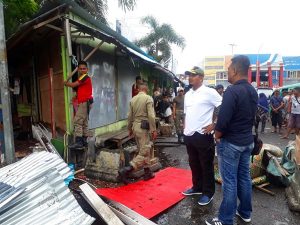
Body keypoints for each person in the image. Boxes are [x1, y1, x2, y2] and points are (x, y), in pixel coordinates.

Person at [206, 55, 258, 225]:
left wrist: (217, 135)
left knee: (229, 181)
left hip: (231, 144)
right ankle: (245, 212)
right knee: (244, 177)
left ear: (235, 70)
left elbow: (223, 120)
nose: (227, 72)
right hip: (247, 142)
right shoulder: (252, 91)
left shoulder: (232, 91)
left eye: (228, 69)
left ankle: (225, 219)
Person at [182, 66, 222, 206]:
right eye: (189, 75)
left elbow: (223, 106)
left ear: (201, 77)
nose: (190, 78)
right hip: (189, 134)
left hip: (203, 134)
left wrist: (214, 124)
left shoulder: (209, 92)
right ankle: (197, 187)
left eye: (193, 75)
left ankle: (208, 193)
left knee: (206, 165)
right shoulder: (187, 94)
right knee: (194, 163)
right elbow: (186, 113)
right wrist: (184, 127)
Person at [118, 82, 157, 183]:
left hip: (135, 126)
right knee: (145, 150)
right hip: (144, 127)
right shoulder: (148, 98)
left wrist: (129, 129)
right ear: (146, 89)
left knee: (143, 149)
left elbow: (129, 116)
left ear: (138, 90)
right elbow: (151, 116)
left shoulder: (133, 99)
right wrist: (154, 129)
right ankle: (127, 169)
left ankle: (147, 172)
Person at [64, 61, 93, 149]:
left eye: (84, 68)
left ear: (87, 69)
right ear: (78, 70)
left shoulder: (84, 77)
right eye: (80, 69)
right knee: (84, 122)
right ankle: (84, 141)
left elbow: (74, 84)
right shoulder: (84, 78)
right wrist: (77, 96)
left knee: (77, 121)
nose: (82, 70)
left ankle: (79, 142)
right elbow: (82, 89)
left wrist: (66, 83)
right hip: (87, 102)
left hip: (85, 102)